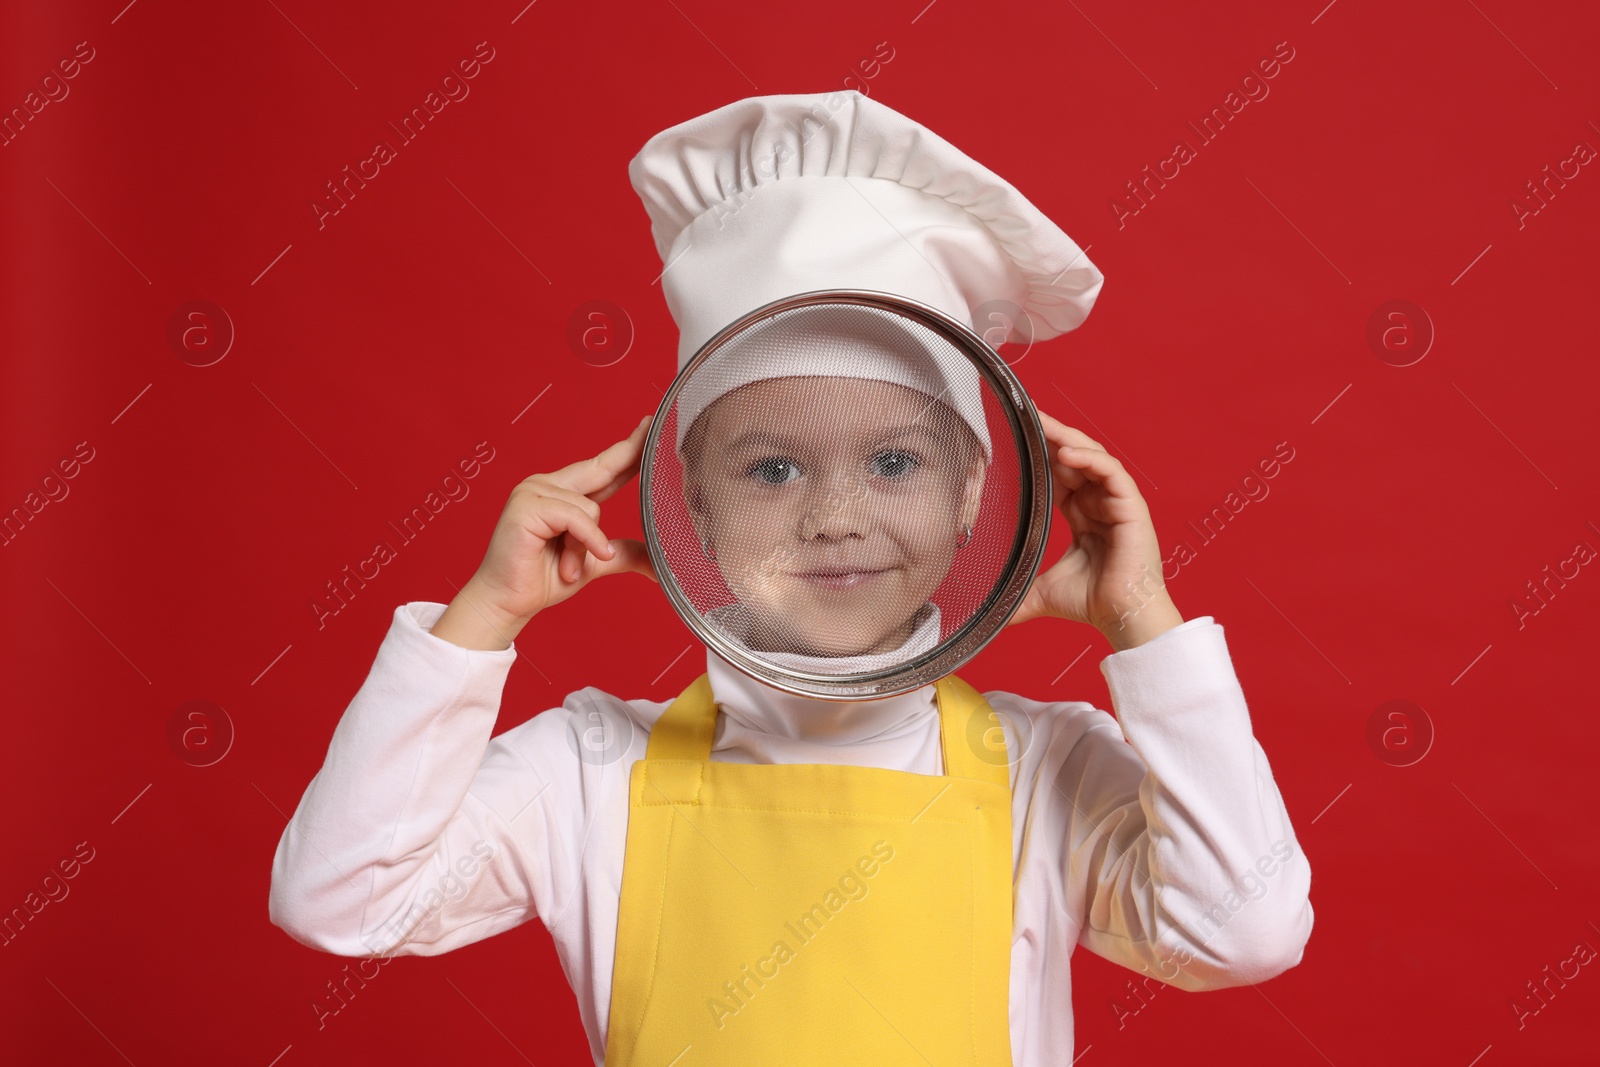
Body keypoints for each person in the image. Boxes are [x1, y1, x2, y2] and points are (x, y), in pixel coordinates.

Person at [269, 90, 1313, 1065]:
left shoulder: (1045, 769)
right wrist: (483, 618)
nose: (834, 517)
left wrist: (1145, 623)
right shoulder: (590, 769)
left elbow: (1246, 929)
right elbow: (343, 898)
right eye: (771, 466)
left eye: (895, 460)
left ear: (971, 496)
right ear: (692, 505)